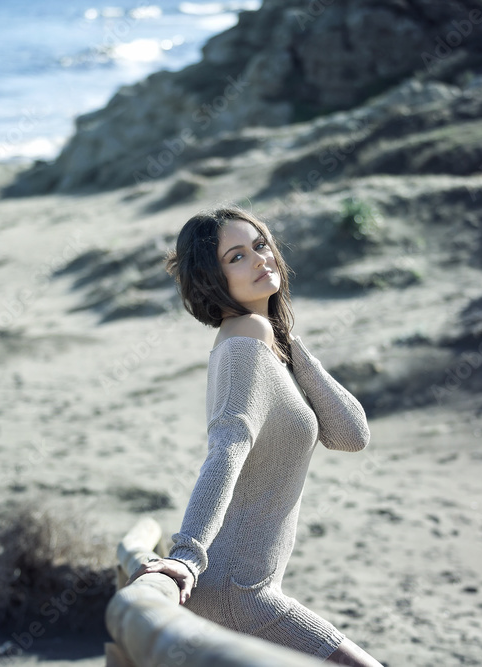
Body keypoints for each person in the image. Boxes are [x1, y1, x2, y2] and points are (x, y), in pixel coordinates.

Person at [125, 206, 384, 666]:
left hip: (248, 589)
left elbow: (350, 434)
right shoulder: (244, 341)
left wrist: (288, 340)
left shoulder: (262, 339)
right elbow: (226, 450)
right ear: (211, 277)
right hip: (237, 592)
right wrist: (185, 556)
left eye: (261, 246)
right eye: (237, 257)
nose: (260, 260)